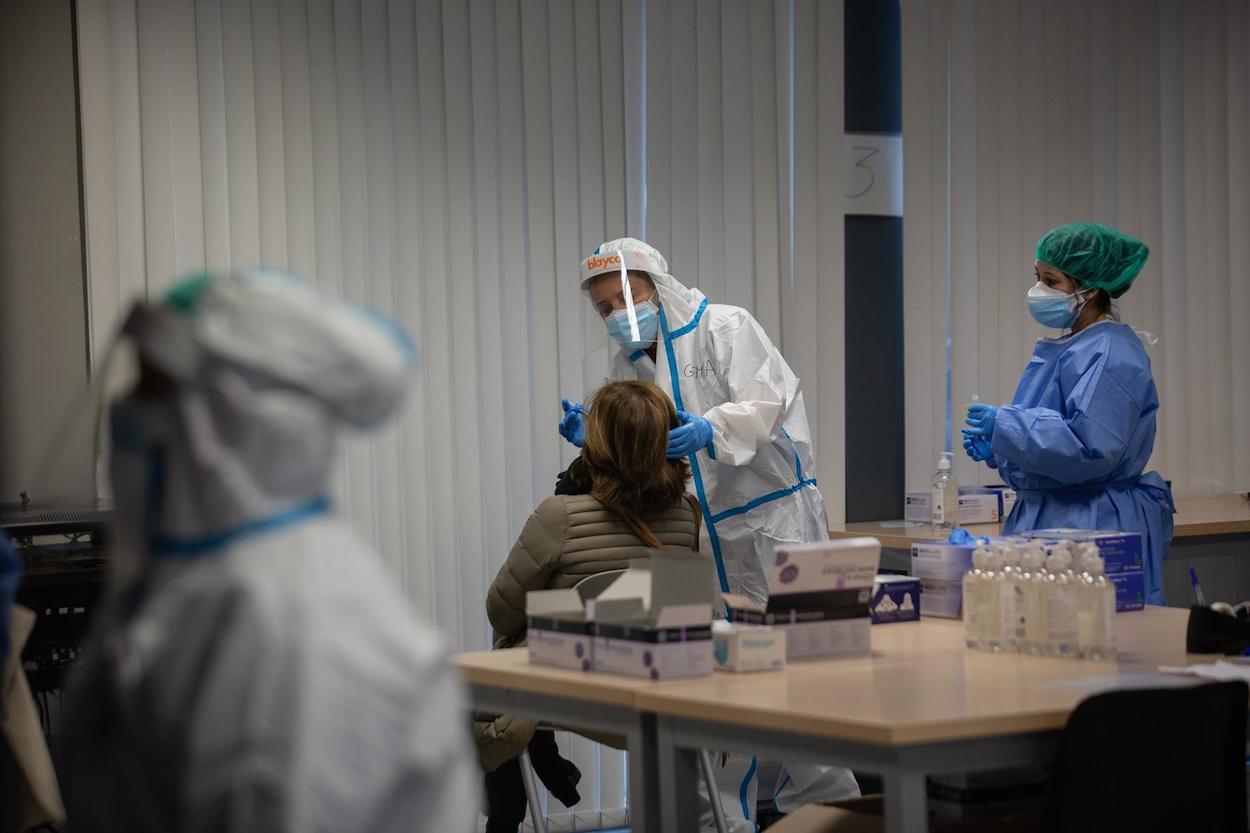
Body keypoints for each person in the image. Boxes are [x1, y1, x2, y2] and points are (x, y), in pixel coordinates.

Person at [62, 268, 478, 832]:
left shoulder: (295, 627)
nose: (129, 409)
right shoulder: (214, 587)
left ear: (228, 412)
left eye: (152, 387)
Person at [559, 239, 858, 831]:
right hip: (697, 540)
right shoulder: (627, 364)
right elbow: (644, 453)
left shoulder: (722, 327)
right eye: (605, 308)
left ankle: (837, 820)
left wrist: (711, 428)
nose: (620, 313)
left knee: (806, 690)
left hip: (773, 528)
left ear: (657, 287)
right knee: (715, 698)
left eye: (627, 297)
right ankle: (724, 826)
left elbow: (772, 401)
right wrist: (596, 442)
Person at [481, 380, 703, 832]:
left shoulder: (559, 516)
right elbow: (683, 610)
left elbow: (500, 612)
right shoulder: (688, 514)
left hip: (574, 691)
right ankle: (546, 762)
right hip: (659, 697)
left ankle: (504, 822)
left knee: (486, 684)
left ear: (596, 443)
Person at [962, 222, 1175, 605]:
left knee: (1087, 645)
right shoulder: (1077, 347)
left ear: (1090, 289)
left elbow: (1089, 448)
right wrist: (1002, 448)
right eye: (1037, 277)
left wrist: (1005, 426)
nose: (1038, 290)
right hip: (1059, 516)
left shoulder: (1110, 353)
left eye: (1051, 280)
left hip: (1090, 523)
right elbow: (1057, 433)